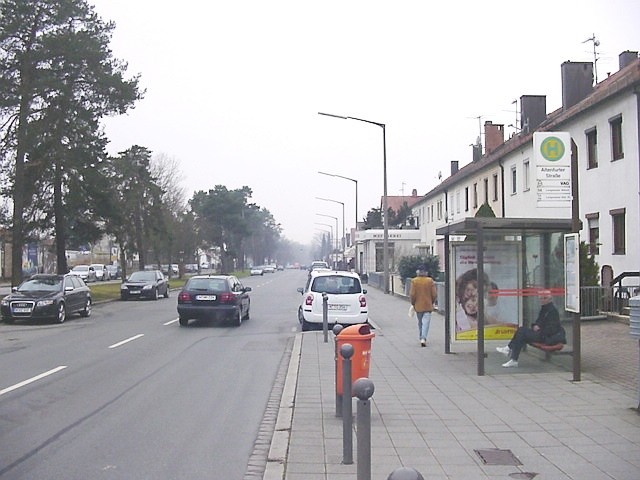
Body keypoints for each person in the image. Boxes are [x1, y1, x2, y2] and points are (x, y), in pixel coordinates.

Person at [496, 290, 565, 367]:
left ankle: (510, 352)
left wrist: (539, 328)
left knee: (521, 333)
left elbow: (552, 328)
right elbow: (539, 321)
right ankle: (512, 357)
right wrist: (536, 326)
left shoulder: (552, 311)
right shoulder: (544, 308)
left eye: (544, 298)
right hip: (541, 333)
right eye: (541, 298)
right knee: (521, 332)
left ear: (550, 299)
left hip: (546, 337)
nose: (542, 300)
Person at [409, 265, 437, 347]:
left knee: (420, 322)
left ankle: (421, 336)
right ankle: (423, 338)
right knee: (426, 322)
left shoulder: (414, 281)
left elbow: (412, 294)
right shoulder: (430, 281)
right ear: (426, 272)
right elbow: (434, 294)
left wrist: (413, 303)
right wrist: (432, 301)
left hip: (418, 305)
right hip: (428, 305)